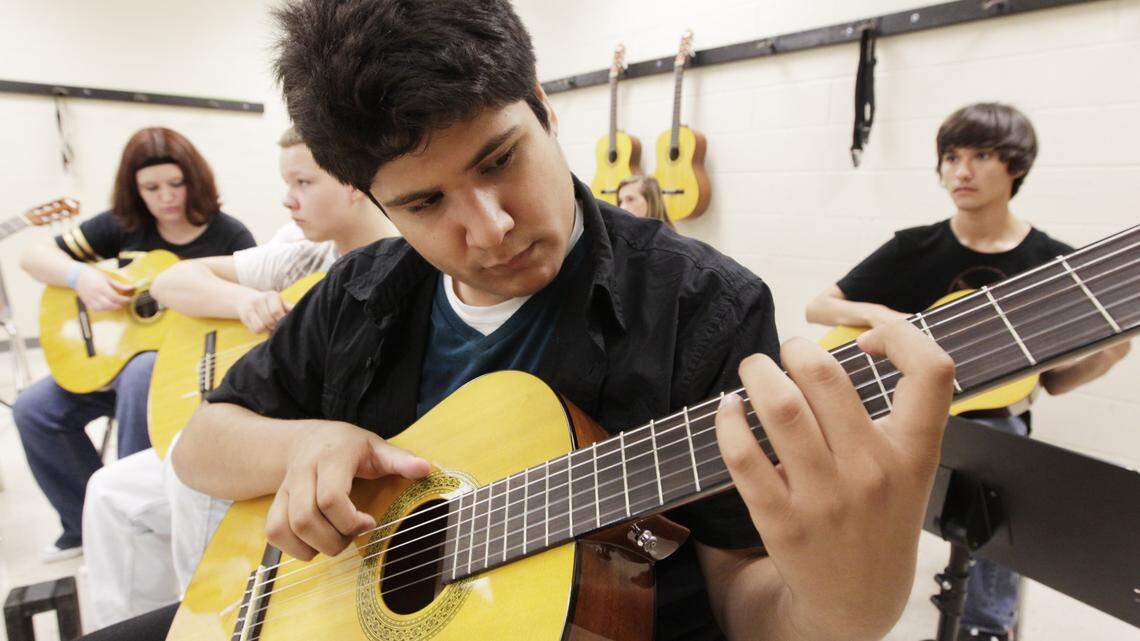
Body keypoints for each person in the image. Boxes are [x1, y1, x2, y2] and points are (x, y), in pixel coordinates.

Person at [86, 2, 957, 639]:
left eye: (501, 158)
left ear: (542, 106)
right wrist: (307, 443)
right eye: (425, 203)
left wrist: (847, 604)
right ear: (373, 202)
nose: (491, 226)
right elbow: (200, 446)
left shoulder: (702, 306)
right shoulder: (360, 292)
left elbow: (744, 600)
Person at [805, 102, 1130, 640]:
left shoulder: (1055, 265)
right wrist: (882, 316)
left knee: (1007, 470)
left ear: (1016, 167)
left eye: (981, 156)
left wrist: (1107, 353)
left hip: (988, 420)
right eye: (951, 157)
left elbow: (1053, 382)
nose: (961, 171)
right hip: (898, 413)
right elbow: (820, 307)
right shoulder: (915, 246)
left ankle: (987, 626)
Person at [79, 126, 399, 629]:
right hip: (265, 426)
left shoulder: (394, 267)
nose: (288, 200)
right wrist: (245, 302)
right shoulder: (303, 253)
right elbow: (170, 280)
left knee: (193, 469)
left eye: (303, 183)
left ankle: (207, 619)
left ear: (353, 181)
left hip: (313, 447)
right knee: (109, 492)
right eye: (287, 184)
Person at [13, 127, 255, 561]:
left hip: (183, 383)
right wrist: (81, 277)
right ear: (135, 189)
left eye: (175, 183)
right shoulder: (123, 226)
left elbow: (247, 314)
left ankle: (138, 515)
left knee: (143, 371)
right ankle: (85, 524)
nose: (166, 197)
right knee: (34, 408)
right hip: (109, 366)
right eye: (151, 188)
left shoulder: (229, 236)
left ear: (194, 179)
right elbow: (33, 256)